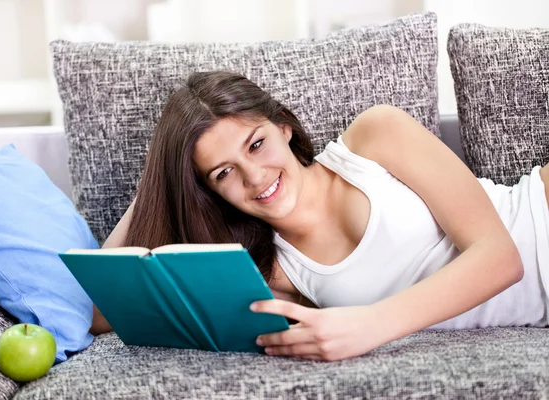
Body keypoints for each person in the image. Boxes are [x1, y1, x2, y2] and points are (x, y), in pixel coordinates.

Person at [89, 70, 549, 362]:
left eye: (257, 144)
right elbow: (101, 312)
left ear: (284, 128)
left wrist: (369, 325)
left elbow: (500, 257)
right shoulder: (271, 270)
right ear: (207, 190)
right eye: (224, 172)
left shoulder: (374, 138)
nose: (255, 177)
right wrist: (163, 183)